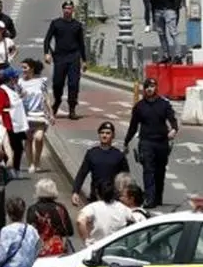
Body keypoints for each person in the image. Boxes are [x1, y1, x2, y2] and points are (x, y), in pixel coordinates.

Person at [122, 78, 178, 209]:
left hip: (162, 142)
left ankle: (158, 197)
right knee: (148, 170)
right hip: (146, 142)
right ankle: (149, 198)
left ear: (156, 88)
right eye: (147, 86)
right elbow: (133, 126)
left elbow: (172, 119)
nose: (149, 89)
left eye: (152, 86)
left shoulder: (164, 104)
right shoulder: (139, 107)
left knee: (160, 171)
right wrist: (126, 141)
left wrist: (174, 129)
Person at [42, 0, 87, 120]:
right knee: (58, 83)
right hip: (60, 57)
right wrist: (47, 53)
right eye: (66, 8)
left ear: (73, 10)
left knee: (73, 84)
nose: (68, 10)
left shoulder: (77, 25)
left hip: (74, 57)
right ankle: (57, 101)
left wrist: (84, 60)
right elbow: (47, 39)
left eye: (70, 8)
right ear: (63, 10)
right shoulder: (56, 23)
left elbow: (81, 44)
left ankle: (72, 109)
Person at [72, 121, 130, 207]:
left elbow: (126, 177)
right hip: (95, 197)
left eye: (108, 133)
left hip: (114, 198)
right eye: (102, 133)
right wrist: (75, 192)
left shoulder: (119, 155)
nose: (104, 135)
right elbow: (82, 173)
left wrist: (126, 195)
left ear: (113, 135)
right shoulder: (91, 153)